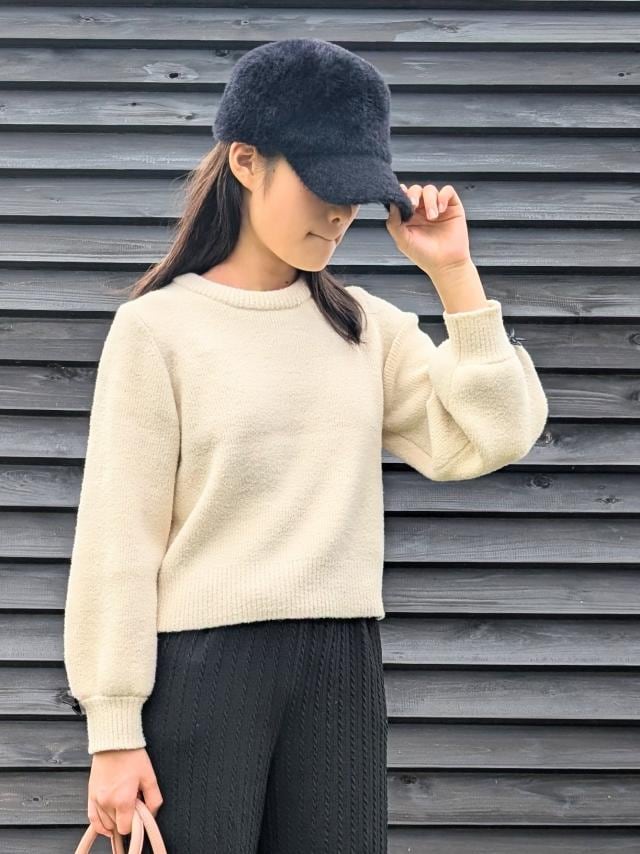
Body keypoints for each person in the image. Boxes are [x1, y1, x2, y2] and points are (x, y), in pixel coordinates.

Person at [63, 38, 548, 853]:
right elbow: (119, 540)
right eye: (323, 186)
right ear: (246, 162)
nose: (339, 214)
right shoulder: (158, 331)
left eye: (355, 194)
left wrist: (454, 276)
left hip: (341, 669)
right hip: (202, 671)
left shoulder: (362, 327)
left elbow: (499, 434)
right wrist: (113, 731)